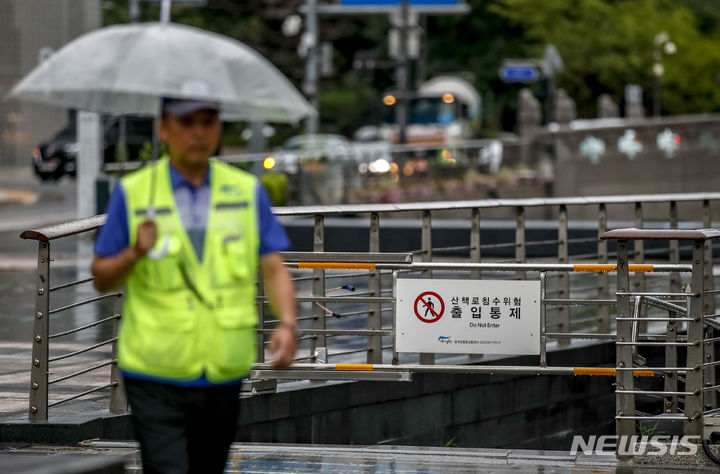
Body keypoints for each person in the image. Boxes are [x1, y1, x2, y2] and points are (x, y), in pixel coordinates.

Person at [91, 97, 297, 474]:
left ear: (219, 130)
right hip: (155, 367)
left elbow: (273, 265)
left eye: (207, 122)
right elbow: (102, 276)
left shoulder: (246, 191)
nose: (197, 132)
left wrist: (287, 323)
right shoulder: (134, 192)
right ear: (164, 129)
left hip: (222, 366)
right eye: (186, 123)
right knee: (168, 468)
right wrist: (135, 252)